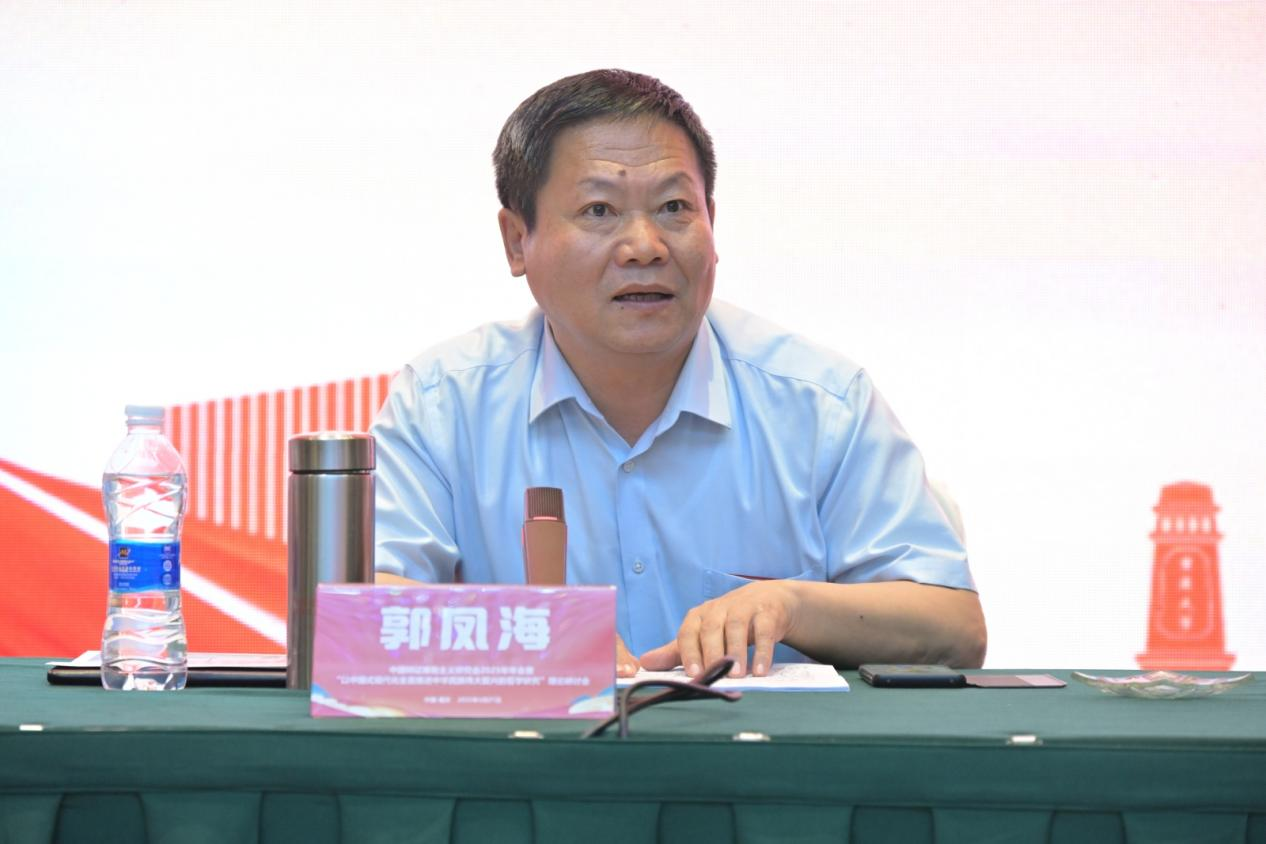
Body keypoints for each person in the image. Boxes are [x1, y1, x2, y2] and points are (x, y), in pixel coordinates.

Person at [372, 69, 986, 678]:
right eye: (599, 210)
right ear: (516, 241)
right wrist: (522, 632)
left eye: (674, 208)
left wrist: (790, 606)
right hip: (533, 744)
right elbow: (359, 611)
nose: (645, 245)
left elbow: (954, 630)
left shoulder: (821, 403)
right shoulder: (442, 404)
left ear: (711, 224)